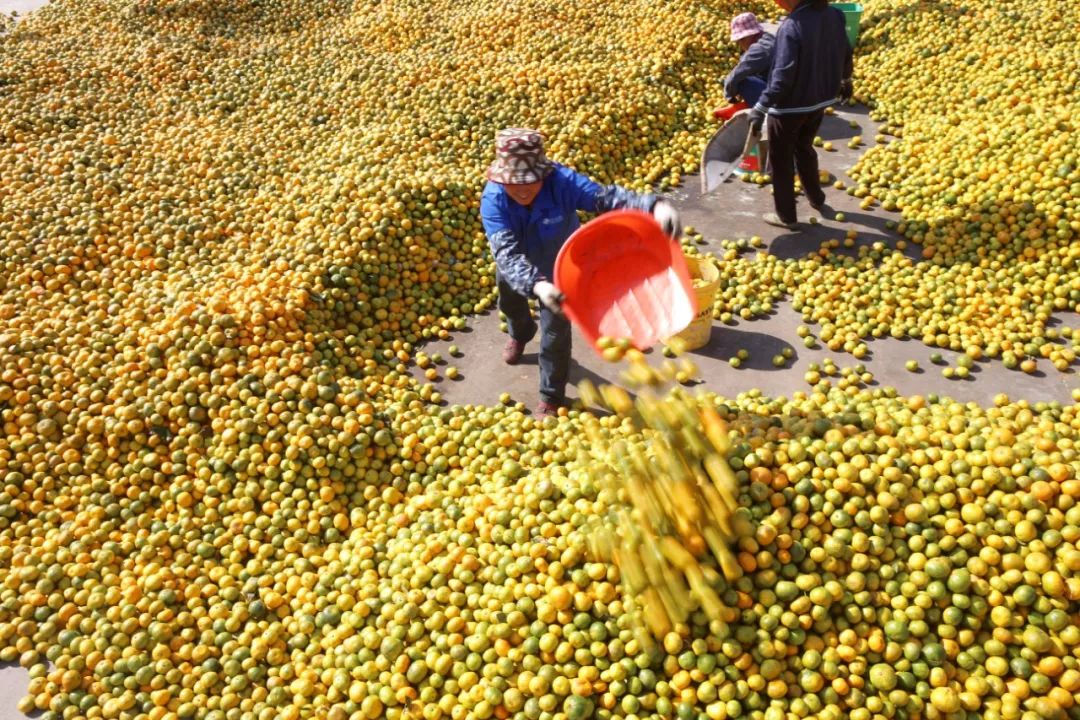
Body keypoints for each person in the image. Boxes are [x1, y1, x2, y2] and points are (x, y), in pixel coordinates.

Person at [480, 128, 682, 418]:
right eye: (514, 183)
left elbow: (605, 198)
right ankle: (521, 333)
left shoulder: (561, 182)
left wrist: (655, 206)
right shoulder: (493, 200)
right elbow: (507, 255)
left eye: (530, 181)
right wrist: (536, 285)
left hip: (562, 264)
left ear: (543, 175)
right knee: (510, 304)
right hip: (517, 265)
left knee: (556, 330)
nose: (522, 189)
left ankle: (551, 395)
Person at [748, 0, 853, 230]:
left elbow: (782, 76)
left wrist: (761, 106)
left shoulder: (792, 26)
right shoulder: (835, 15)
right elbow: (845, 49)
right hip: (820, 100)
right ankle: (817, 198)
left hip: (790, 107)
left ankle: (786, 216)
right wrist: (846, 79)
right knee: (804, 147)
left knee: (781, 159)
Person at [713, 13, 776, 122]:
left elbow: (735, 76)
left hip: (783, 101)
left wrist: (730, 96)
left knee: (743, 81)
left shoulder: (759, 50)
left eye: (740, 41)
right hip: (792, 89)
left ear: (746, 37)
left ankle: (764, 112)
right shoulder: (768, 38)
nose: (739, 44)